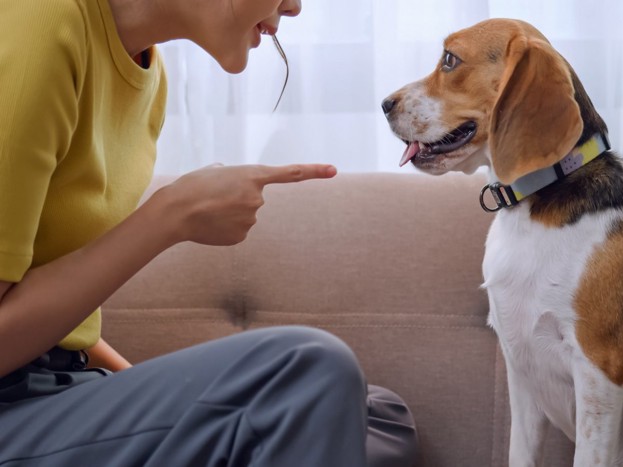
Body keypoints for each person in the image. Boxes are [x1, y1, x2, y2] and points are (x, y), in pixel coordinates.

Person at [0, 0, 419, 465]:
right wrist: (170, 215)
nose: (295, 6)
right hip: (14, 406)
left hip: (56, 389)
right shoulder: (40, 23)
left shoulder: (146, 75)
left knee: (375, 416)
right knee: (308, 371)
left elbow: (62, 323)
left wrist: (163, 399)